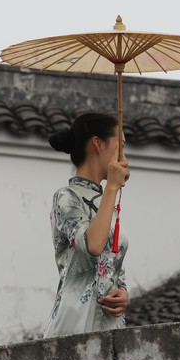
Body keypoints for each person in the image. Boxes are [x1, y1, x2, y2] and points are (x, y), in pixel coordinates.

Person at [43, 112, 131, 337]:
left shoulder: (106, 202)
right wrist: (111, 187)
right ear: (98, 144)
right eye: (120, 146)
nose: (125, 158)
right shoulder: (66, 197)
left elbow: (112, 265)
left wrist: (122, 293)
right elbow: (92, 244)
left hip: (109, 322)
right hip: (75, 320)